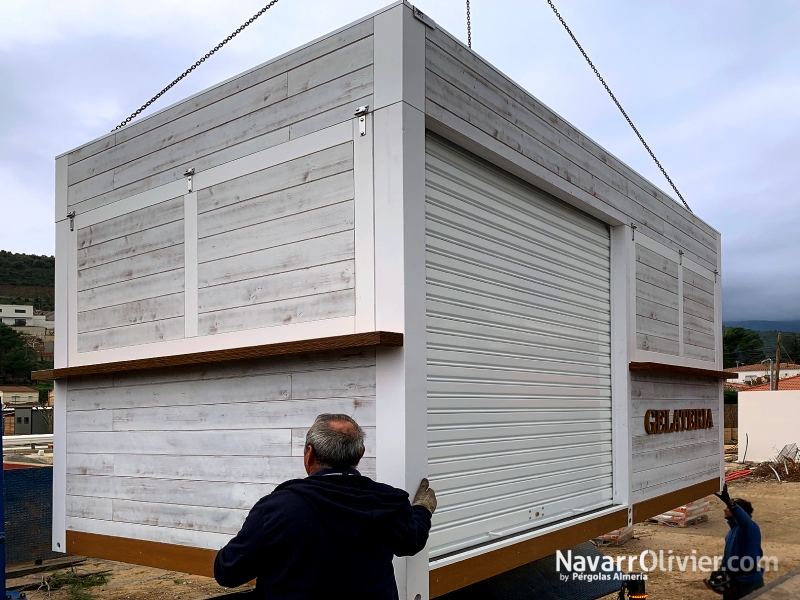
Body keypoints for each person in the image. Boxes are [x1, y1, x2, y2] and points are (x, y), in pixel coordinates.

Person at [214, 413, 437, 600]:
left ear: (309, 455)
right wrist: (422, 510)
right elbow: (411, 541)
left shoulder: (275, 508)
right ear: (360, 453)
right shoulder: (388, 501)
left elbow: (228, 572)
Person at [712, 484, 764, 599]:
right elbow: (730, 555)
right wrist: (722, 569)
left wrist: (732, 504)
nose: (725, 509)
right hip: (732, 581)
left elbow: (743, 519)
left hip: (749, 583)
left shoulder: (750, 528)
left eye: (728, 507)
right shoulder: (732, 531)